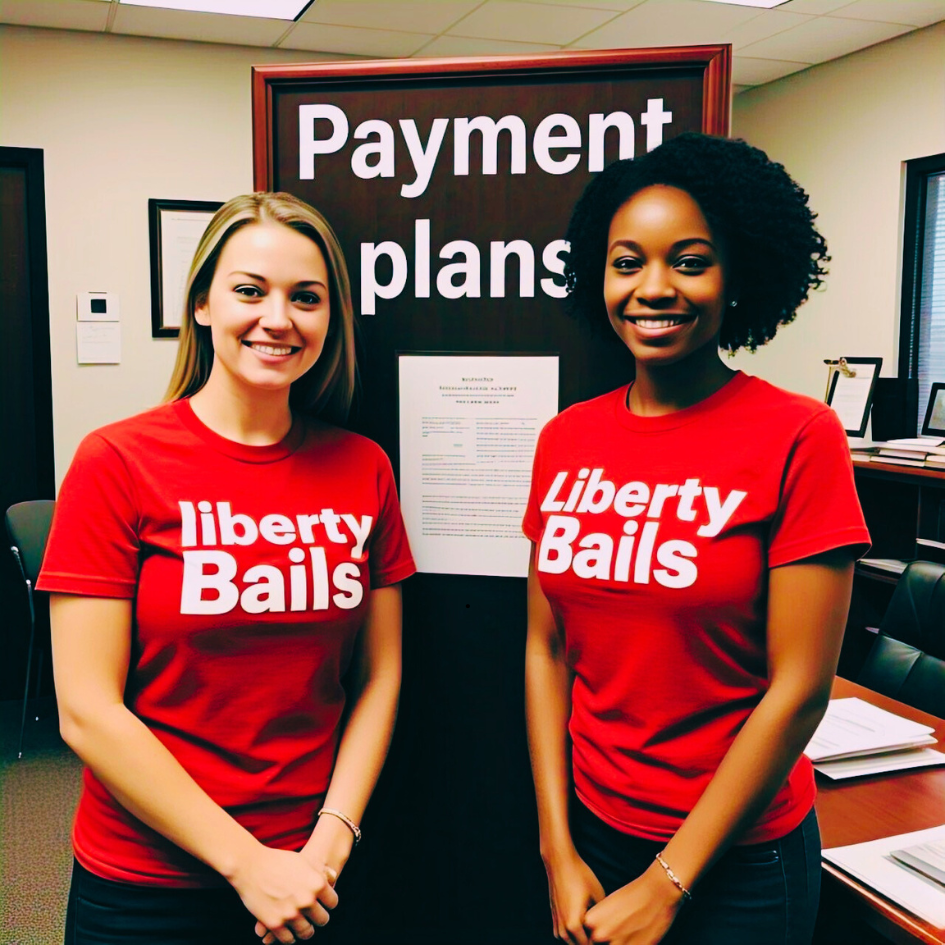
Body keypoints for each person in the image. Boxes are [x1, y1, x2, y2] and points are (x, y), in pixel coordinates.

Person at [38, 192, 415, 945]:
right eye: (250, 290)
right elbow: (87, 708)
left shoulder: (361, 466)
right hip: (149, 883)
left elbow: (379, 674)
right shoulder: (117, 461)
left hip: (312, 870)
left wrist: (331, 838)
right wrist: (245, 863)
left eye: (306, 297)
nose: (279, 318)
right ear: (202, 304)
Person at [523, 133, 870, 945]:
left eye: (688, 260)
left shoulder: (798, 435)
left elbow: (798, 690)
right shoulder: (565, 439)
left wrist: (669, 882)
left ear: (738, 274)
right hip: (594, 834)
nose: (653, 288)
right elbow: (545, 648)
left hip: (737, 862)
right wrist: (554, 845)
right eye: (625, 262)